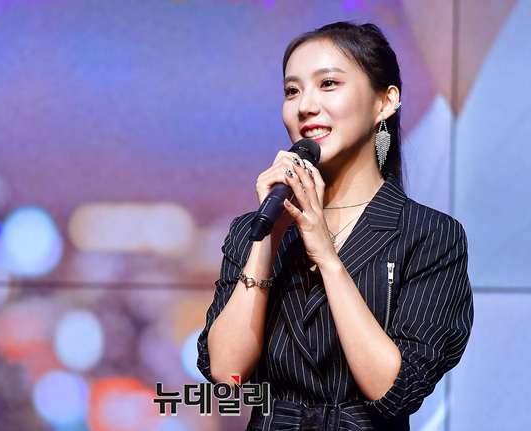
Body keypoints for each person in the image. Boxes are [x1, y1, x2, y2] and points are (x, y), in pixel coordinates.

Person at [197, 22, 473, 430]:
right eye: (292, 91)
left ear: (385, 102)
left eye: (328, 84)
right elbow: (226, 374)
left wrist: (327, 255)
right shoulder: (255, 229)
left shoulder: (429, 235)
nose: (305, 106)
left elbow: (395, 389)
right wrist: (267, 240)